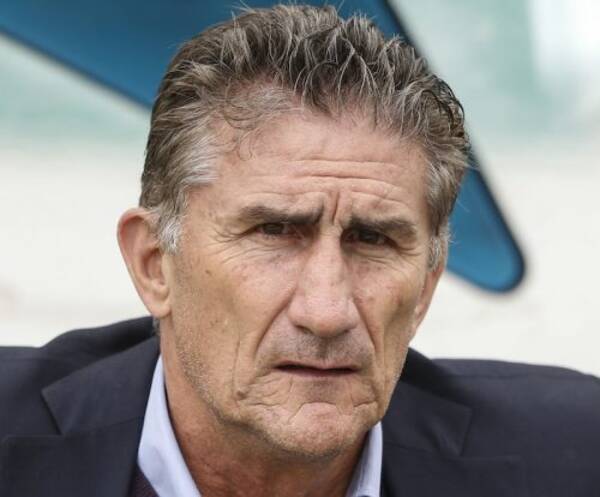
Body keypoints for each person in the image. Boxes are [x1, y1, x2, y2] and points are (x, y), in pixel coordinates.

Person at [1, 5, 598, 497]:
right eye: (274, 232)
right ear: (154, 264)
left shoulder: (574, 459)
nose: (327, 312)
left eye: (373, 239)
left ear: (426, 285)